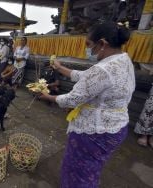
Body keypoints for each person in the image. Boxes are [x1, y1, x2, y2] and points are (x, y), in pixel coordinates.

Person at [39, 22, 134, 187]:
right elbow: (87, 76)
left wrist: (48, 97)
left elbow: (73, 99)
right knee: (91, 168)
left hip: (94, 132)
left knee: (78, 171)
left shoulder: (103, 69)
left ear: (103, 44)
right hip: (116, 127)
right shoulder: (123, 59)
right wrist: (61, 68)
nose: (87, 50)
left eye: (89, 45)